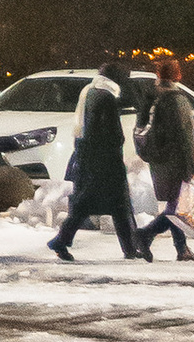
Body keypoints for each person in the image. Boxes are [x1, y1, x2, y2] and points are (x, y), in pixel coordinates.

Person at [50, 57, 146, 262]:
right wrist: (119, 143)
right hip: (105, 162)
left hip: (88, 158)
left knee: (104, 205)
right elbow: (113, 134)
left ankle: (129, 248)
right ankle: (61, 240)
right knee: (112, 204)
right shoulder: (106, 98)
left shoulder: (89, 92)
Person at [135, 52, 194, 260]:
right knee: (176, 209)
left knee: (176, 205)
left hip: (159, 160)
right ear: (178, 75)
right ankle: (145, 235)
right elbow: (186, 137)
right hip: (176, 161)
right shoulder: (177, 100)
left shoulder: (153, 96)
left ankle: (182, 249)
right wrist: (192, 168)